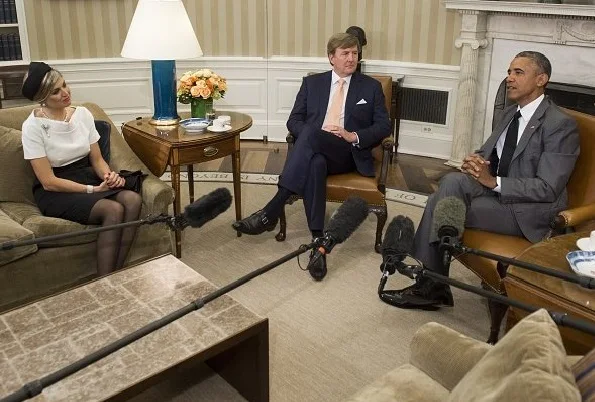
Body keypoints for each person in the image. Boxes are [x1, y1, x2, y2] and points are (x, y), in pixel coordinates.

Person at [389, 51, 580, 309]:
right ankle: (436, 275)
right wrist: (476, 161)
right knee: (453, 182)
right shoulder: (510, 113)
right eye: (509, 72)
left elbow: (548, 188)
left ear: (541, 79)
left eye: (518, 73)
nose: (509, 78)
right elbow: (491, 152)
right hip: (497, 191)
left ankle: (433, 283)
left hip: (528, 209)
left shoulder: (559, 125)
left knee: (439, 203)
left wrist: (493, 182)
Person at [232, 33, 391, 280]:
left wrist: (353, 135)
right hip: (316, 150)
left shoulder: (370, 87)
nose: (351, 59)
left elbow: (383, 127)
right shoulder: (312, 84)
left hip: (347, 153)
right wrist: (313, 134)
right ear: (331, 58)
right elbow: (293, 121)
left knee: (310, 136)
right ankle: (319, 244)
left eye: (355, 54)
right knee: (315, 158)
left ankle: (272, 210)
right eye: (345, 54)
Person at [21, 62, 143, 276]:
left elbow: (96, 159)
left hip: (86, 175)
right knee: (112, 209)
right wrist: (92, 190)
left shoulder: (83, 114)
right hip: (57, 189)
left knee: (132, 199)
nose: (65, 93)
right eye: (56, 92)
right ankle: (104, 281)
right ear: (43, 98)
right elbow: (48, 181)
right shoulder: (32, 127)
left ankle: (118, 274)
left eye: (65, 85)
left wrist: (109, 176)